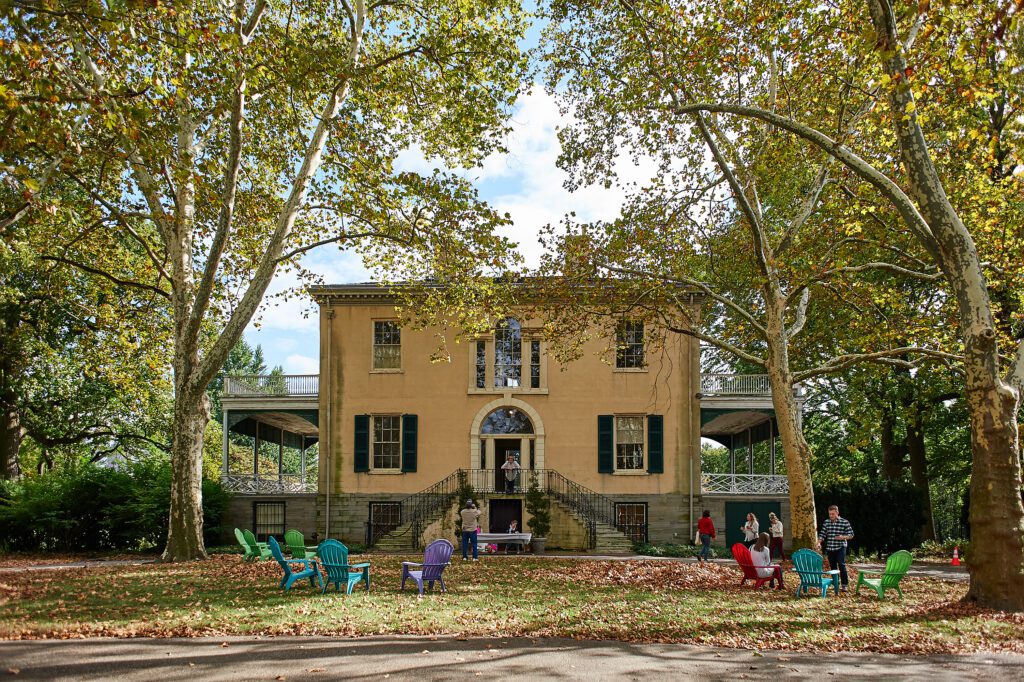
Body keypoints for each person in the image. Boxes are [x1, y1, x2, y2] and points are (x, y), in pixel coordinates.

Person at [816, 504, 854, 591]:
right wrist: (819, 543)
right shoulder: (827, 522)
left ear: (837, 512)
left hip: (841, 547)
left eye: (833, 514)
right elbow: (822, 534)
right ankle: (836, 583)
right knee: (833, 567)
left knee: (841, 564)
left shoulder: (844, 522)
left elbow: (851, 535)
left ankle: (844, 584)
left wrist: (842, 537)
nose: (831, 516)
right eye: (830, 514)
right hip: (830, 548)